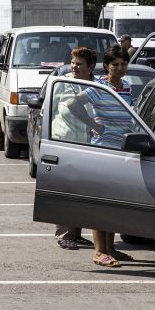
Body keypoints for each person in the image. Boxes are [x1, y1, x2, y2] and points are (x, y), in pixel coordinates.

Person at [67, 45, 134, 267]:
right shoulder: (100, 87)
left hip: (122, 150)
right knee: (101, 202)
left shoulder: (127, 86)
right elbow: (72, 104)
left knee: (113, 203)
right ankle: (99, 251)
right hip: (104, 149)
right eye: (115, 64)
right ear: (107, 66)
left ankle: (110, 248)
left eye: (123, 64)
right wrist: (94, 125)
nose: (120, 68)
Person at [51, 47, 97, 250]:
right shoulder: (62, 83)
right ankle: (66, 234)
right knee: (66, 190)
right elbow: (49, 111)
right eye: (73, 63)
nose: (75, 67)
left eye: (79, 64)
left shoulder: (97, 86)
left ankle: (76, 233)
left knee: (82, 192)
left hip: (88, 145)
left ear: (91, 67)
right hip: (64, 141)